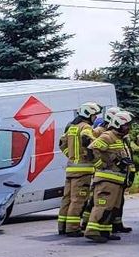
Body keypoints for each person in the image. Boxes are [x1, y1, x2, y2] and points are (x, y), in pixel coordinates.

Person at [84, 107, 133, 243]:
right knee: (102, 205)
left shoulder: (119, 138)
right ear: (118, 124)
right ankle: (92, 231)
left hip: (116, 179)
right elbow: (91, 149)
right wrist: (101, 164)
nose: (128, 128)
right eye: (126, 125)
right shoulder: (108, 136)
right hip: (107, 179)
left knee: (111, 208)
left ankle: (105, 231)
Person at [57, 102, 102, 236]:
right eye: (94, 115)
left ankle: (62, 227)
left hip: (71, 168)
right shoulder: (85, 127)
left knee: (67, 199)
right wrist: (93, 158)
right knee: (78, 199)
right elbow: (87, 139)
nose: (95, 118)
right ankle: (73, 228)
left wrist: (71, 155)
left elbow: (61, 143)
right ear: (89, 114)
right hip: (83, 170)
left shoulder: (72, 128)